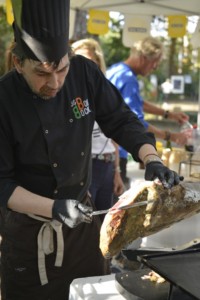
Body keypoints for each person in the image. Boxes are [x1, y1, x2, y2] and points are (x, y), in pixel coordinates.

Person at [0, 2, 183, 299]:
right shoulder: (4, 100)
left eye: (61, 69)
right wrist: (53, 208)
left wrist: (151, 158)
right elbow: (3, 184)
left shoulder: (84, 73)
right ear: (18, 63)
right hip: (29, 236)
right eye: (42, 74)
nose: (56, 82)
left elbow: (121, 119)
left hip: (82, 230)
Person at [107, 36, 190, 186]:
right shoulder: (129, 79)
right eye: (155, 62)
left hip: (107, 149)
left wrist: (168, 114)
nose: (155, 67)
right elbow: (135, 121)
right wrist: (171, 136)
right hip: (119, 151)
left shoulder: (117, 70)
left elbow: (134, 102)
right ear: (143, 58)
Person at [71, 38, 124, 216]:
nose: (84, 67)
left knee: (104, 223)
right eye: (78, 60)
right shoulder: (67, 95)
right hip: (85, 167)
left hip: (107, 164)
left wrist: (117, 171)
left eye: (90, 62)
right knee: (86, 225)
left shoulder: (103, 93)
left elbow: (113, 133)